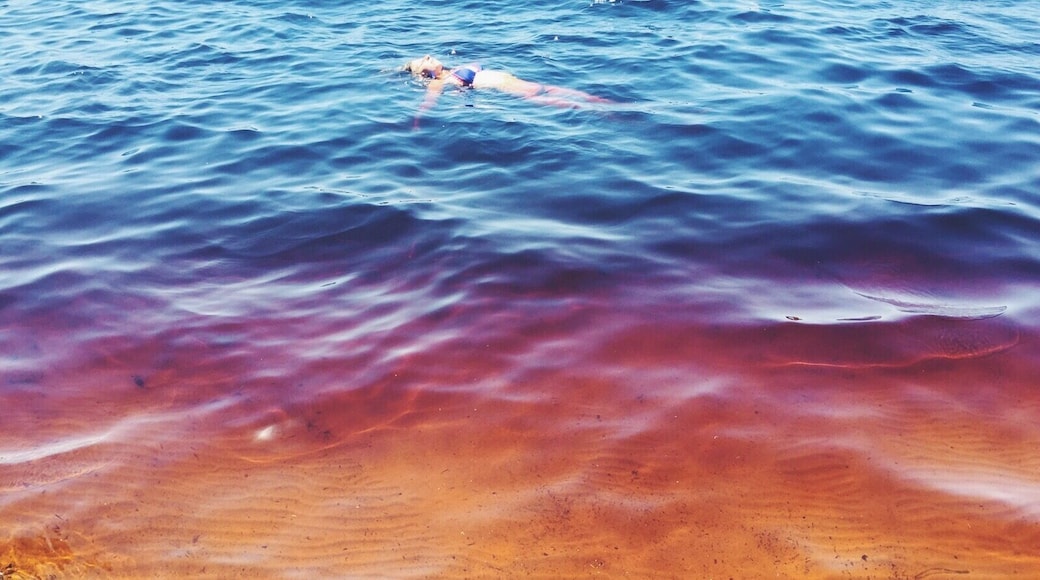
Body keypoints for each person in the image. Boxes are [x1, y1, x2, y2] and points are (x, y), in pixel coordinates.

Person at [403, 54, 611, 127]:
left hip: (525, 83)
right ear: (423, 73)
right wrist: (417, 120)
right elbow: (428, 103)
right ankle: (613, 116)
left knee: (592, 98)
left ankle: (616, 109)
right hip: (516, 91)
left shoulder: (454, 69)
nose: (428, 56)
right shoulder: (438, 82)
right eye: (423, 61)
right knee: (577, 105)